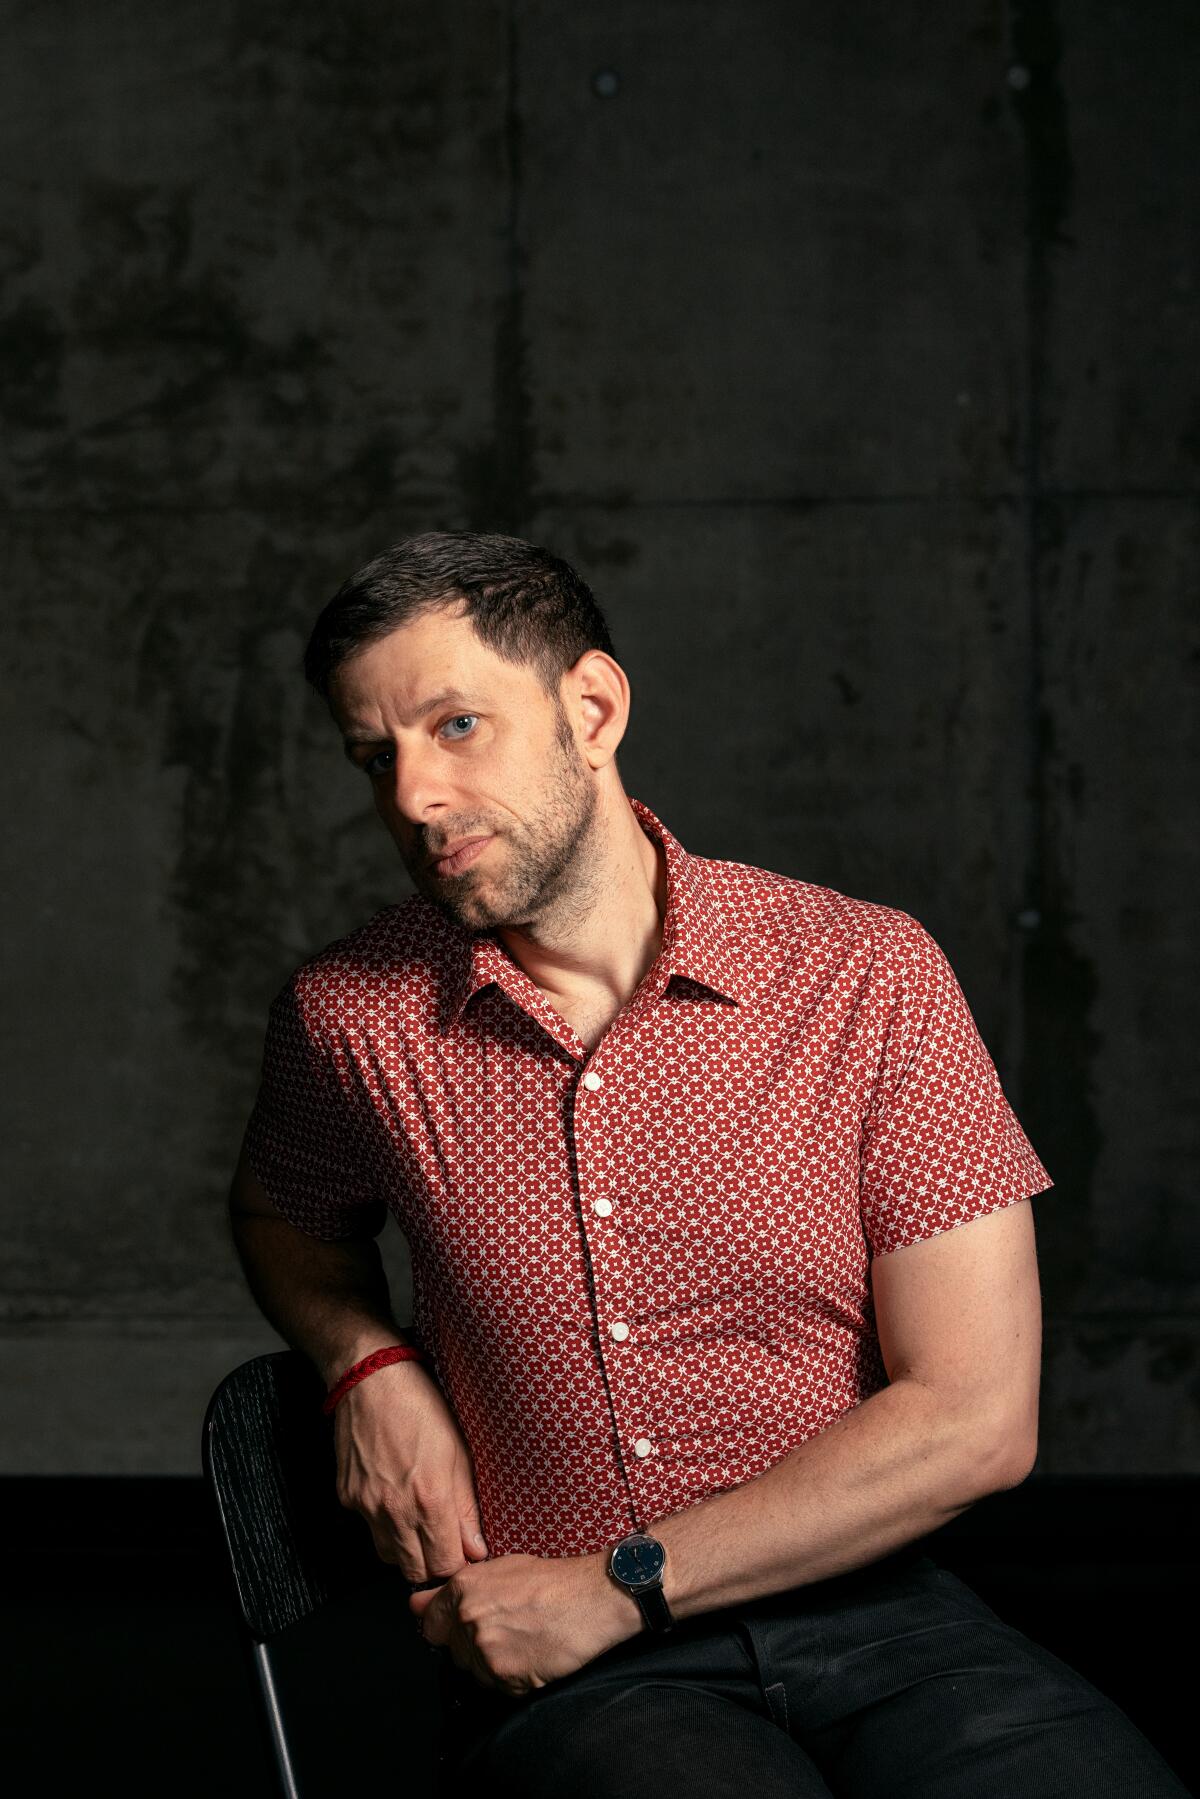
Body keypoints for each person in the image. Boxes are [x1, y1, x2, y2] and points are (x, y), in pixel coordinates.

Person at [229, 531, 1188, 1799]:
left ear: (593, 706)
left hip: (882, 1619)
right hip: (567, 1676)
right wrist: (365, 1357)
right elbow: (282, 1213)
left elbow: (975, 1416)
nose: (412, 794)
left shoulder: (866, 974)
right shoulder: (351, 1016)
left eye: (456, 724)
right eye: (375, 755)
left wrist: (622, 1586)